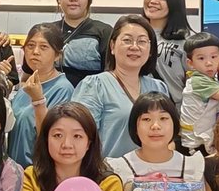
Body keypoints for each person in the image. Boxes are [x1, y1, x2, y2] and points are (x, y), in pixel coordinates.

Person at [70, 13, 170, 159]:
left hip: (152, 170)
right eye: (127, 40)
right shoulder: (95, 85)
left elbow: (168, 137)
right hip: (107, 171)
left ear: (150, 50)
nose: (134, 47)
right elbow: (78, 136)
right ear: (112, 46)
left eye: (142, 41)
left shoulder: (159, 88)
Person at [6, 23, 73, 168]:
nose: (35, 52)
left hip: (39, 171)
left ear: (57, 55)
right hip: (15, 170)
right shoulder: (27, 86)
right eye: (30, 46)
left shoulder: (63, 89)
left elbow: (55, 135)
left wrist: (38, 101)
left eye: (43, 47)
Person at [52, 0, 112, 86]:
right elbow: (28, 77)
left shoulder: (104, 32)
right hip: (50, 96)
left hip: (91, 95)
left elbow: (110, 76)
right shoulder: (46, 31)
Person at [142, 0, 193, 99]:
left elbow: (196, 84)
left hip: (173, 108)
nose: (154, 1)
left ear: (174, 3)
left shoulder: (186, 41)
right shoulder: (133, 36)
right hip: (138, 108)